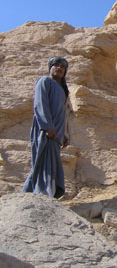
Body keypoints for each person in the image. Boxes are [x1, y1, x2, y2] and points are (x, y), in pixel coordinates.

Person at [22, 56, 70, 198]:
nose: (59, 68)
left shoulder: (62, 90)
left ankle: (30, 195)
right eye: (56, 65)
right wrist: (47, 126)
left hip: (55, 136)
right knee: (42, 164)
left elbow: (61, 114)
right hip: (45, 132)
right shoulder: (45, 81)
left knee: (46, 165)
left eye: (62, 66)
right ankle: (39, 195)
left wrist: (64, 134)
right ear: (50, 68)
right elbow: (40, 104)